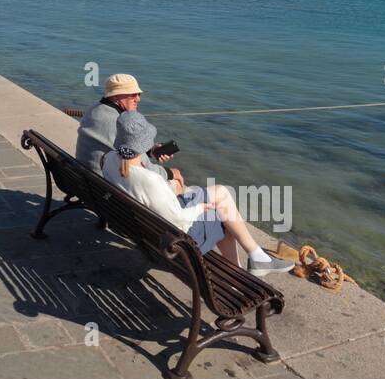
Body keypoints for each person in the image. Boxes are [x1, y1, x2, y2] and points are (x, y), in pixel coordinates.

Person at [103, 111, 295, 277]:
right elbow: (178, 221)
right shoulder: (150, 180)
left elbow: (142, 190)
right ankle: (249, 264)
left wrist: (169, 187)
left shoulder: (110, 160)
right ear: (142, 144)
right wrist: (199, 208)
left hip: (145, 229)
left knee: (221, 196)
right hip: (174, 240)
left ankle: (252, 260)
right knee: (223, 212)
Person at [75, 73, 173, 176]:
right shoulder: (118, 121)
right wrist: (170, 173)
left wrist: (151, 150)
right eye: (133, 94)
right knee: (175, 182)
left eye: (139, 94)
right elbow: (144, 166)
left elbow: (123, 147)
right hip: (103, 184)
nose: (138, 99)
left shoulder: (94, 108)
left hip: (83, 177)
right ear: (116, 95)